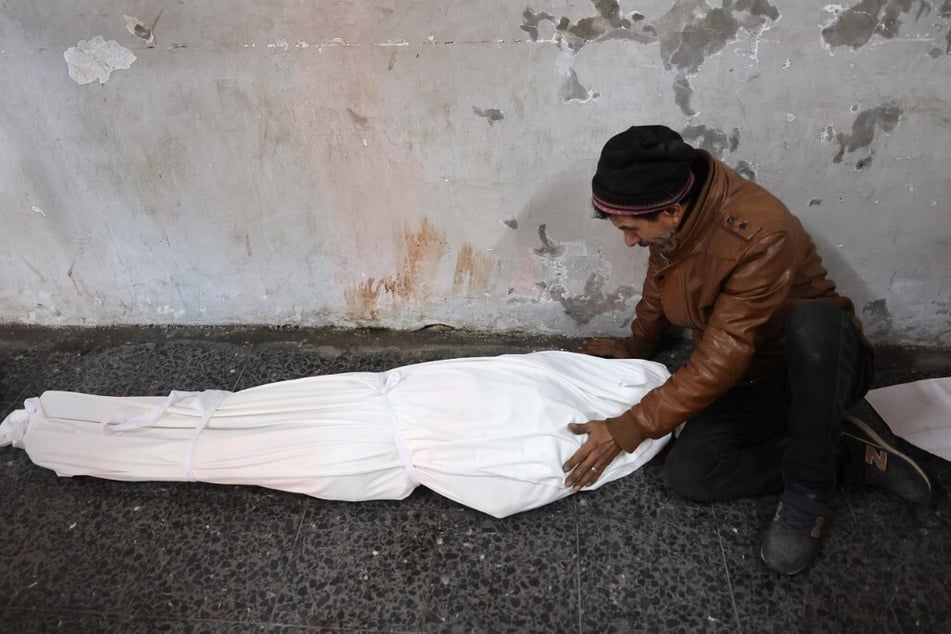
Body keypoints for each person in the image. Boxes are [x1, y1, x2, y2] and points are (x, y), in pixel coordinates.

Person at [561, 124, 932, 575]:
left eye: (631, 229)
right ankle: (843, 453)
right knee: (690, 473)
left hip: (819, 368)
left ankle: (807, 491)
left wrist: (629, 426)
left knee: (815, 324)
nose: (629, 241)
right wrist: (638, 343)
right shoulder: (676, 212)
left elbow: (726, 352)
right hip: (749, 376)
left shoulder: (760, 233)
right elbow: (661, 283)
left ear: (671, 211)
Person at [0, 350, 671, 519]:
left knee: (221, 429)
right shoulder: (611, 398)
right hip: (373, 425)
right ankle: (53, 428)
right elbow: (509, 483)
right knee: (220, 440)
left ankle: (53, 424)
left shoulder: (597, 382)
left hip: (374, 412)